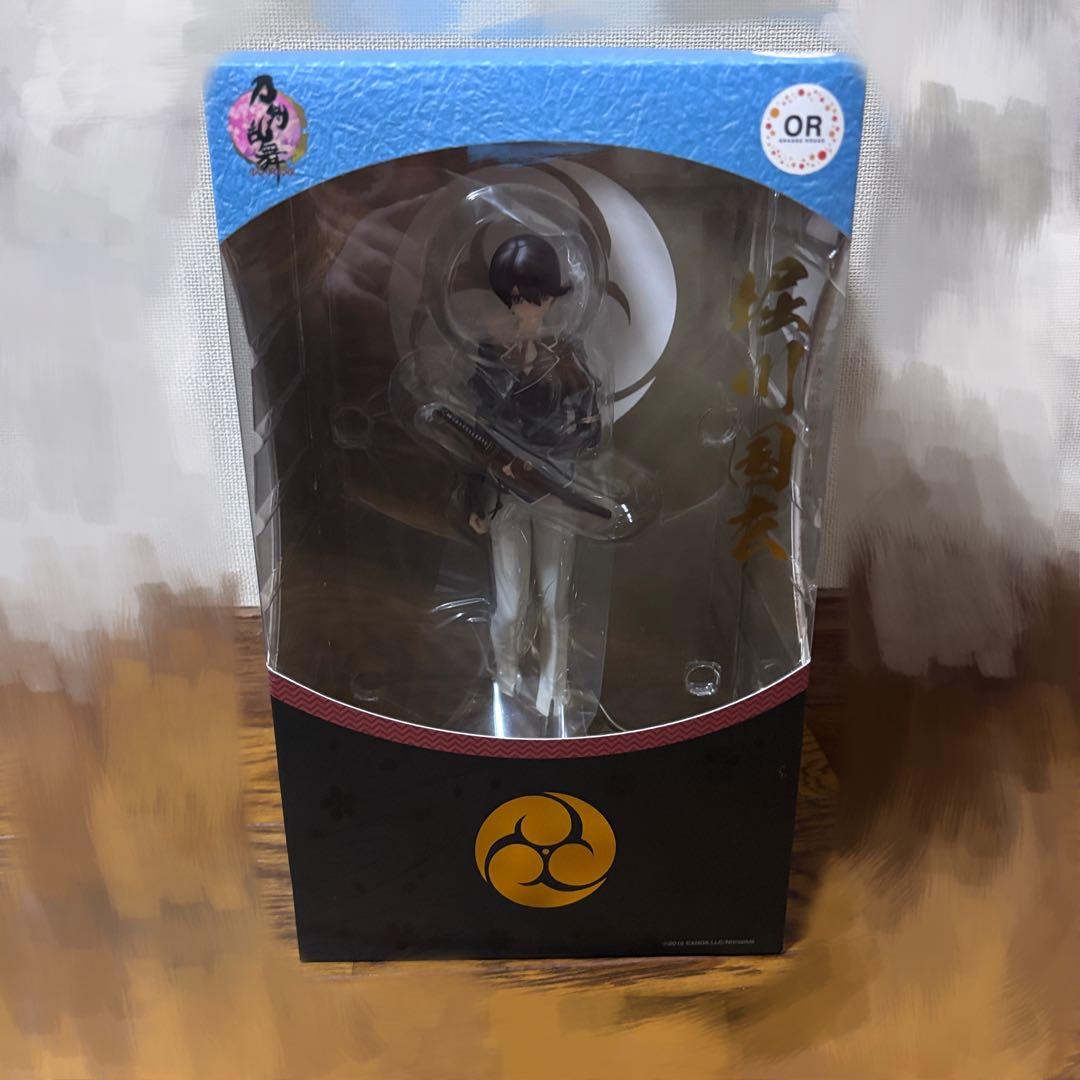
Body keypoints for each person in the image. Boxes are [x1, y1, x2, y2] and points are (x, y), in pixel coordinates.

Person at [461, 234, 602, 720]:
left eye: (532, 297)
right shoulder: (489, 357)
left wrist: (553, 458)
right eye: (514, 298)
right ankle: (505, 676)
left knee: (555, 601)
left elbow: (591, 431)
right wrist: (476, 496)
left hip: (556, 493)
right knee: (510, 606)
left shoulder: (569, 356)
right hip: (505, 495)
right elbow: (474, 435)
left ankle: (555, 688)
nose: (522, 308)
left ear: (550, 298)